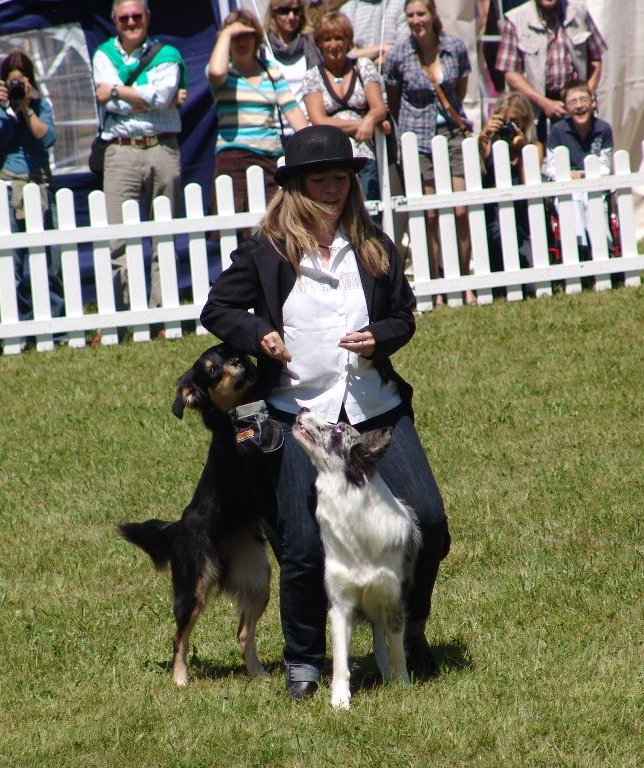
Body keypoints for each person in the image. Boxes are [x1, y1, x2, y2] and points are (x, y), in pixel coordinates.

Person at [200, 125, 450, 702]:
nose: (334, 188)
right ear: (296, 187)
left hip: (374, 408)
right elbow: (218, 307)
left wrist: (380, 337)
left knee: (429, 522)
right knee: (303, 542)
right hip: (299, 416)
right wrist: (259, 335)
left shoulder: (374, 244)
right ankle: (305, 661)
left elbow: (403, 316)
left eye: (341, 177)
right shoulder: (266, 249)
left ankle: (408, 631)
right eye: (321, 180)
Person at [92, 0, 185, 308]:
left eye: (136, 16)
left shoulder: (167, 54)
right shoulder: (103, 55)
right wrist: (150, 97)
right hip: (121, 150)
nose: (131, 22)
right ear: (115, 21)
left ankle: (163, 313)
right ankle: (125, 314)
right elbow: (124, 102)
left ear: (147, 17)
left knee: (165, 235)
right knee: (119, 238)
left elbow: (163, 96)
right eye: (124, 18)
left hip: (162, 147)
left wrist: (117, 89)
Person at [383, 0, 474, 304]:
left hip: (452, 133)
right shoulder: (398, 54)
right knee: (431, 214)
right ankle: (436, 286)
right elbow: (393, 100)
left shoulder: (455, 47)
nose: (415, 20)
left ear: (433, 14)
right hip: (417, 138)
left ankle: (464, 281)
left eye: (420, 13)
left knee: (461, 209)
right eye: (410, 15)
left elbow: (460, 90)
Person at [0, 51, 64, 321]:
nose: (16, 87)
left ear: (30, 82)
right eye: (11, 82)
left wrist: (26, 107)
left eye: (21, 82)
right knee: (9, 261)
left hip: (37, 186)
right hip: (3, 187)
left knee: (50, 261)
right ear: (2, 82)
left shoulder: (40, 105)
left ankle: (55, 324)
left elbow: (47, 138)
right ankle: (19, 325)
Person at [207, 9, 308, 226]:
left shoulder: (270, 70)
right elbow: (216, 72)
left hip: (270, 158)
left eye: (247, 35)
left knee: (275, 224)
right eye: (236, 37)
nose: (242, 41)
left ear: (256, 38)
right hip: (232, 158)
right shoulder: (223, 71)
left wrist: (313, 142)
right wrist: (226, 32)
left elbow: (292, 110)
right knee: (234, 229)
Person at [303, 12, 390, 201]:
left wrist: (371, 118)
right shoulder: (312, 76)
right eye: (327, 39)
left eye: (339, 38)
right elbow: (319, 121)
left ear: (348, 41)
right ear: (319, 43)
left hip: (364, 154)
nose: (333, 45)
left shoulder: (363, 66)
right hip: (331, 158)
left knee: (370, 209)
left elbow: (379, 108)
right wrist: (363, 124)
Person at [494, 0, 608, 144]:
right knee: (538, 153)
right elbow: (511, 74)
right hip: (536, 108)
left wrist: (585, 94)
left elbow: (596, 59)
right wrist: (544, 103)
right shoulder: (516, 19)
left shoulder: (579, 12)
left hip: (575, 104)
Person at [542, 79, 613, 256]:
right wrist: (566, 173)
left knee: (594, 200)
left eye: (583, 99)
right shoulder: (558, 131)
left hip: (593, 183)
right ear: (565, 107)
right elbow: (551, 166)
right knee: (572, 199)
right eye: (573, 102)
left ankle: (602, 246)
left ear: (593, 102)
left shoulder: (603, 129)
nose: (579, 106)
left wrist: (589, 174)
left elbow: (605, 164)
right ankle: (579, 246)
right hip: (568, 185)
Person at [477, 91, 545, 272]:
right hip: (492, 218)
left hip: (523, 219)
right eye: (504, 120)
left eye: (514, 121)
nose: (508, 125)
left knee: (530, 276)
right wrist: (484, 136)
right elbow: (476, 173)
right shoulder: (487, 144)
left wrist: (522, 150)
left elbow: (529, 183)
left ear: (525, 120)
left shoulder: (534, 147)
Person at [262, 0, 322, 127]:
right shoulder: (262, 48)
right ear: (273, 12)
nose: (291, 17)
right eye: (284, 11)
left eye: (296, 11)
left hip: (307, 127)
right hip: (273, 128)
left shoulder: (313, 43)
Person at [338, 0, 408, 65]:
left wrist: (360, 53)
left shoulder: (401, 5)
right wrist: (382, 49)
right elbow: (346, 54)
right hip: (358, 71)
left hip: (393, 70)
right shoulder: (347, 10)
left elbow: (403, 48)